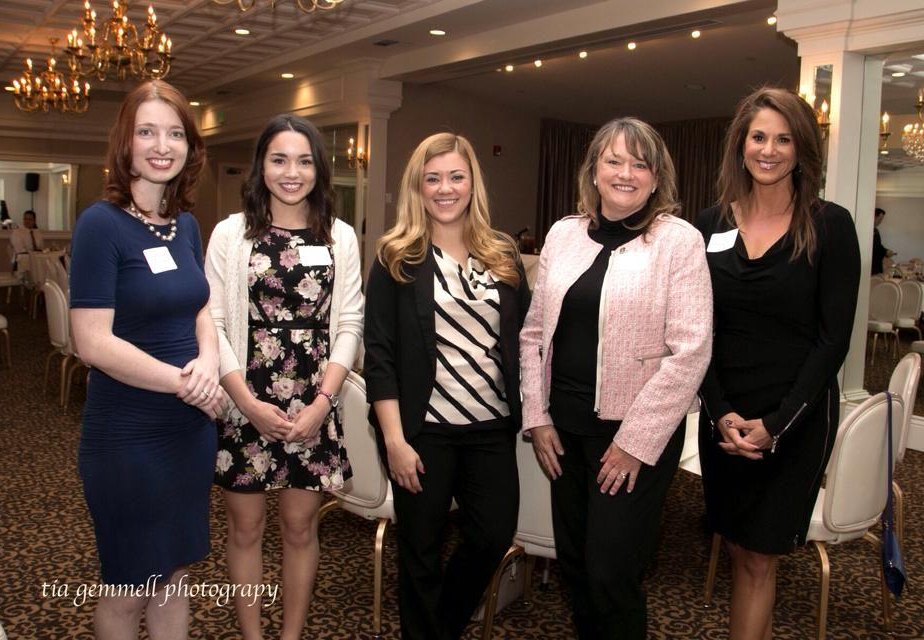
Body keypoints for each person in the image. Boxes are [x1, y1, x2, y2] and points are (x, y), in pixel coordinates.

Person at [520, 117, 712, 639]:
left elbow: (690, 352)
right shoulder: (563, 234)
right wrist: (537, 418)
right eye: (613, 160)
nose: (625, 173)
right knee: (577, 566)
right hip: (564, 432)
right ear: (594, 170)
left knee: (613, 573)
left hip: (633, 439)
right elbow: (534, 333)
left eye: (639, 163)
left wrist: (634, 443)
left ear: (656, 177)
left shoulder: (679, 242)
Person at [695, 87, 861, 640]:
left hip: (795, 417)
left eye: (784, 138)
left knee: (761, 557)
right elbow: (698, 333)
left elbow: (832, 340)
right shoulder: (708, 225)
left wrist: (776, 425)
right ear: (741, 144)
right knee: (740, 549)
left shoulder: (830, 225)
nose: (769, 150)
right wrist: (720, 412)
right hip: (724, 417)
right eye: (759, 136)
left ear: (802, 147)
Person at [69, 79, 223, 640]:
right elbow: (92, 341)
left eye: (175, 133)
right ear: (125, 143)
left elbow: (199, 306)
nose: (162, 145)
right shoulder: (99, 225)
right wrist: (185, 383)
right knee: (129, 583)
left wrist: (207, 361)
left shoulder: (185, 224)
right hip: (127, 437)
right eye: (147, 131)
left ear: (190, 146)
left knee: (175, 575)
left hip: (188, 433)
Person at [363, 133, 530, 640]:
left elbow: (524, 340)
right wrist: (394, 441)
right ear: (418, 186)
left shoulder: (502, 254)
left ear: (472, 182)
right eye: (432, 178)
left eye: (456, 176)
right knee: (420, 550)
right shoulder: (397, 257)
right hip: (423, 431)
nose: (445, 188)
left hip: (490, 427)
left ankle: (441, 628)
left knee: (492, 535)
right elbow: (380, 356)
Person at [204, 114, 364, 640]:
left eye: (303, 160)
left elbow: (349, 323)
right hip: (244, 397)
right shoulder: (231, 233)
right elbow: (214, 324)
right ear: (261, 167)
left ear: (319, 168)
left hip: (313, 401)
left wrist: (323, 402)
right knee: (245, 528)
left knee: (299, 529)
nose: (291, 172)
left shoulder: (339, 236)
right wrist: (245, 402)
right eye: (279, 160)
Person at [871, 206, 895, 275]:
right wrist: (885, 252)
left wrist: (886, 252)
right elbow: (874, 248)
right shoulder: (868, 231)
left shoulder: (876, 230)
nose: (881, 222)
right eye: (880, 219)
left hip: (877, 265)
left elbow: (878, 246)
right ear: (874, 217)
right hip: (872, 266)